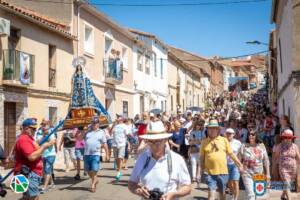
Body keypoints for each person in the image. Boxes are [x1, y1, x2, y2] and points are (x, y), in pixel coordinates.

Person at [128, 120, 191, 200]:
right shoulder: (142, 158)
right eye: (151, 141)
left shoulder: (177, 159)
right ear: (147, 141)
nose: (155, 146)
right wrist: (139, 191)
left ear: (165, 140)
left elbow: (187, 187)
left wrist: (174, 194)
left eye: (158, 141)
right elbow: (131, 183)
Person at [200, 119, 243, 200]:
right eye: (210, 128)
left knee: (222, 193)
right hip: (209, 173)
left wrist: (240, 164)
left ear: (218, 130)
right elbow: (201, 158)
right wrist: (202, 170)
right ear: (208, 130)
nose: (212, 130)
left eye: (214, 128)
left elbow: (231, 154)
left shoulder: (224, 140)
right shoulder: (204, 142)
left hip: (223, 172)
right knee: (211, 194)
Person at [14, 118, 54, 200]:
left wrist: (44, 140)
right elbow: (31, 157)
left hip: (28, 173)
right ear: (26, 128)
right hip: (28, 173)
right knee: (34, 197)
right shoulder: (24, 139)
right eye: (33, 129)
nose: (35, 130)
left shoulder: (29, 138)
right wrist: (44, 146)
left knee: (27, 197)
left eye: (35, 128)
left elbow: (37, 147)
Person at [79, 117, 109, 192]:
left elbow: (105, 143)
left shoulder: (101, 132)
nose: (94, 124)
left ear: (98, 124)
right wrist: (84, 131)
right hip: (87, 154)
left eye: (95, 123)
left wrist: (107, 153)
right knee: (88, 171)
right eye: (93, 123)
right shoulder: (87, 132)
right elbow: (79, 139)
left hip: (96, 154)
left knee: (94, 169)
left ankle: (93, 185)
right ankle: (95, 179)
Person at [239, 130, 270, 200]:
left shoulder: (261, 146)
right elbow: (239, 159)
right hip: (247, 173)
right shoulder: (244, 145)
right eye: (249, 134)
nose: (250, 136)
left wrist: (268, 174)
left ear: (256, 136)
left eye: (253, 134)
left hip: (259, 173)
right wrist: (240, 167)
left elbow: (266, 160)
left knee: (258, 195)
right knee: (251, 194)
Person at [273, 129, 300, 200]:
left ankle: (283, 195)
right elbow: (275, 158)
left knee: (288, 184)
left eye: (289, 137)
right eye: (285, 137)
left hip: (293, 169)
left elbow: (298, 158)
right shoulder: (279, 146)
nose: (287, 139)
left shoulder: (295, 146)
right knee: (287, 183)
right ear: (283, 138)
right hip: (283, 169)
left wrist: (298, 166)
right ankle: (289, 198)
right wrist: (275, 168)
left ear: (291, 138)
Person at [35, 120, 57, 193]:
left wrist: (45, 144)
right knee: (46, 170)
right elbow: (37, 142)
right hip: (42, 154)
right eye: (42, 125)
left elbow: (53, 141)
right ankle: (52, 183)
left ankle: (44, 187)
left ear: (48, 125)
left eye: (45, 125)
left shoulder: (51, 131)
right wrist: (44, 136)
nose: (43, 126)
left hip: (50, 154)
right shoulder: (39, 132)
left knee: (47, 170)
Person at [225, 128, 242, 200]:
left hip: (235, 164)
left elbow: (240, 154)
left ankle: (236, 198)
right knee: (229, 183)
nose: (229, 135)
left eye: (230, 133)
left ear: (233, 134)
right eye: (227, 133)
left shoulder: (238, 143)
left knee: (235, 182)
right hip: (225, 164)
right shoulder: (223, 142)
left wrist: (240, 164)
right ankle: (233, 194)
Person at [188, 120, 206, 185]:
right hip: (193, 149)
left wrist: (197, 141)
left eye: (200, 125)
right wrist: (195, 141)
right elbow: (190, 142)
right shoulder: (192, 132)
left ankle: (198, 177)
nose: (198, 126)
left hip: (200, 150)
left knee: (199, 164)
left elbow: (204, 141)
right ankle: (193, 177)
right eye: (197, 125)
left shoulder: (202, 132)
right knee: (193, 163)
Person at [112, 115, 128, 180]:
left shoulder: (125, 126)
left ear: (122, 119)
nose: (117, 118)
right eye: (117, 117)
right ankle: (119, 170)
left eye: (119, 117)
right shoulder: (115, 126)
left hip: (122, 144)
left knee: (120, 158)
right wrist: (113, 125)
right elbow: (110, 133)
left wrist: (130, 142)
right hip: (114, 144)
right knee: (116, 159)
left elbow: (127, 134)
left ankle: (118, 172)